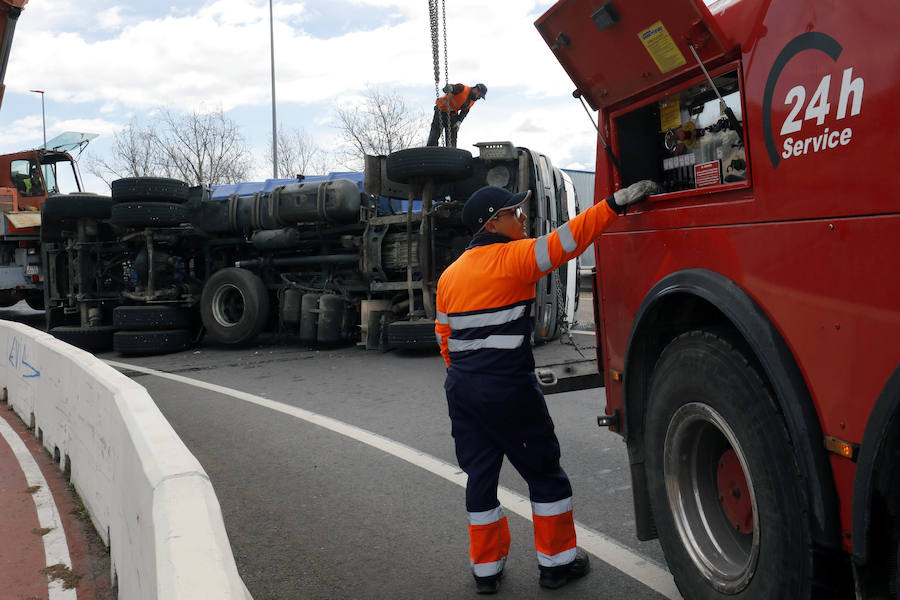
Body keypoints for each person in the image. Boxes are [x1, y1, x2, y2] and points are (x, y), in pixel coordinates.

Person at [435, 179, 659, 594]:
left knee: (480, 477)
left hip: (463, 390)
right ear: (492, 224)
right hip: (508, 388)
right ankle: (556, 564)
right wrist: (612, 204)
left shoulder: (449, 276)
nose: (521, 218)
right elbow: (568, 241)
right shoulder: (513, 257)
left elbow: (444, 338)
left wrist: (469, 374)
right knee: (544, 473)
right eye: (513, 213)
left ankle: (486, 571)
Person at [427, 83, 487, 148]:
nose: (479, 97)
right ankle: (431, 152)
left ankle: (451, 154)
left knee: (452, 140)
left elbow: (465, 111)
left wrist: (459, 121)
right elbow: (453, 87)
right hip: (441, 111)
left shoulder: (472, 100)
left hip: (453, 115)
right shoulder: (462, 88)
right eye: (479, 95)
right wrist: (449, 88)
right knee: (434, 136)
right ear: (476, 89)